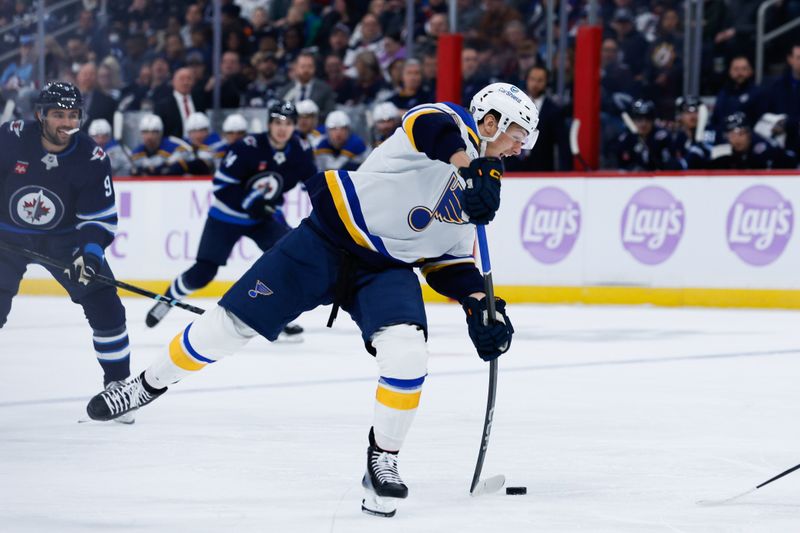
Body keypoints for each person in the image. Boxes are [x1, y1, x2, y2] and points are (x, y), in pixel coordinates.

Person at [84, 82, 535, 518]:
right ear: (490, 121)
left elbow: (447, 261)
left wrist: (480, 304)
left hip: (386, 270)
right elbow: (429, 125)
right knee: (227, 327)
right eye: (516, 135)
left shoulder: (482, 190)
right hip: (326, 240)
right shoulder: (450, 125)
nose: (519, 148)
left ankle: (382, 461)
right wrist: (469, 165)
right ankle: (144, 385)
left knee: (408, 354)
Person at [0, 82, 135, 423]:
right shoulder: (10, 137)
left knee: (105, 303)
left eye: (73, 115)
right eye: (58, 114)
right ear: (40, 115)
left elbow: (98, 217)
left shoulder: (91, 157)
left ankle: (117, 386)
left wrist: (89, 255)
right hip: (5, 238)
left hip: (63, 242)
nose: (67, 122)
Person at [144, 101, 317, 336]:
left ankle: (277, 316)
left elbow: (314, 183)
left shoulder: (299, 151)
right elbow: (221, 185)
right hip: (227, 215)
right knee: (203, 273)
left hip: (263, 218)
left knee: (286, 260)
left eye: (288, 123)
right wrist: (251, 203)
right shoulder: (248, 147)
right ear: (269, 124)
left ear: (295, 126)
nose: (282, 128)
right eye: (277, 122)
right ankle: (168, 298)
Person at [710, 112, 797, 169]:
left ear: (749, 133)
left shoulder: (763, 149)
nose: (737, 139)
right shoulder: (725, 153)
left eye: (741, 133)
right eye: (732, 135)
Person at [617, 99, 681, 170]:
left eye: (647, 118)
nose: (643, 124)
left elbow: (671, 164)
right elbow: (621, 167)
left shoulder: (662, 138)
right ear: (633, 120)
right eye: (639, 119)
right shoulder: (626, 139)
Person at [129, 114, 198, 176]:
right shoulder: (136, 153)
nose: (149, 136)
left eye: (154, 132)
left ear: (160, 133)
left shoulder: (175, 147)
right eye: (145, 132)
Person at [671, 96, 711, 169]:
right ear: (681, 115)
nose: (693, 116)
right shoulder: (679, 137)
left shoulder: (710, 132)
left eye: (696, 111)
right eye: (688, 112)